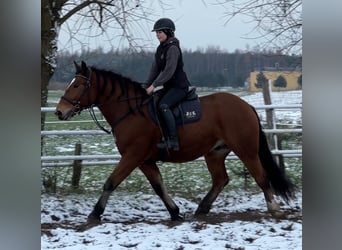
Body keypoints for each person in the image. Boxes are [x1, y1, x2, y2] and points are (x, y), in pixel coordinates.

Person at [145, 18, 191, 151]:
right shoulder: (160, 49)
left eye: (160, 32)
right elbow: (155, 69)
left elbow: (169, 71)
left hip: (179, 87)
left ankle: (173, 141)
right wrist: (145, 86)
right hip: (169, 87)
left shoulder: (172, 48)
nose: (157, 34)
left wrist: (154, 85)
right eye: (156, 32)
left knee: (164, 106)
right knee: (153, 103)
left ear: (168, 32)